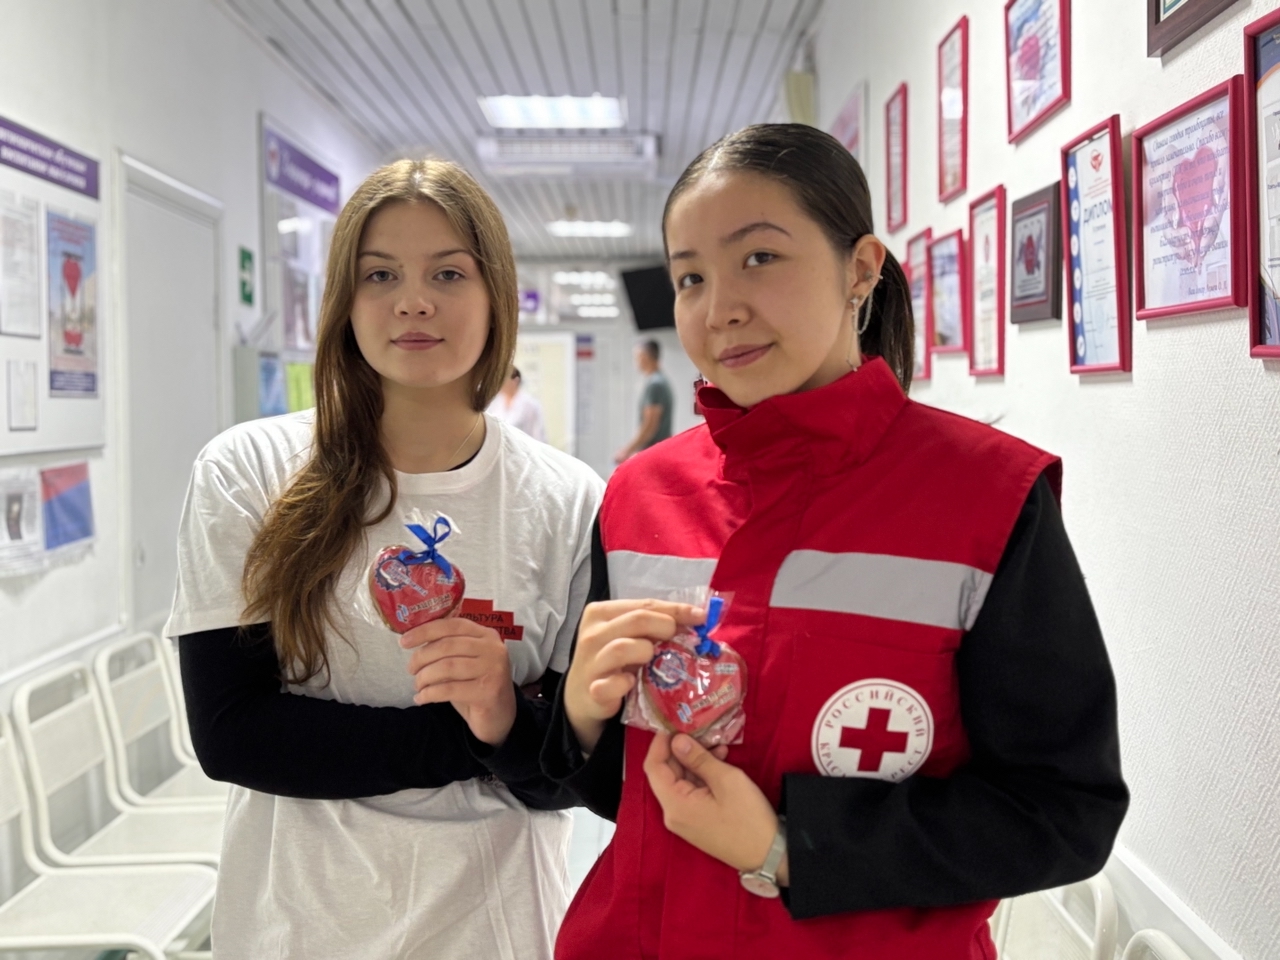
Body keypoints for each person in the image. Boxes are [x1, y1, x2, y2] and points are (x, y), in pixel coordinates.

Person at [544, 124, 1128, 959]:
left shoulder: (987, 500)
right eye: (691, 277)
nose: (720, 309)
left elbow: (1062, 813)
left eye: (759, 258)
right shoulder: (640, 494)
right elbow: (638, 792)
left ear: (860, 269)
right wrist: (578, 719)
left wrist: (790, 846)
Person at [164, 158, 603, 959]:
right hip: (299, 925)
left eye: (448, 273)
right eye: (380, 274)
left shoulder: (569, 500)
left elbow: (572, 773)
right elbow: (233, 734)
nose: (413, 300)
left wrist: (510, 720)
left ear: (497, 294)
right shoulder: (249, 472)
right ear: (344, 299)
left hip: (494, 926)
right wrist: (483, 737)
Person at [614, 338, 673, 462]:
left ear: (645, 357)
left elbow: (650, 425)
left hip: (653, 453)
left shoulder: (655, 384)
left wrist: (627, 450)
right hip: (661, 450)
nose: (636, 362)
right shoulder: (661, 380)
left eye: (637, 357)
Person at [488, 365, 547, 441]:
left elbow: (538, 435)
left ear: (515, 380)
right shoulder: (495, 403)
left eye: (503, 379)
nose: (499, 384)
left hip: (524, 446)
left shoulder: (529, 404)